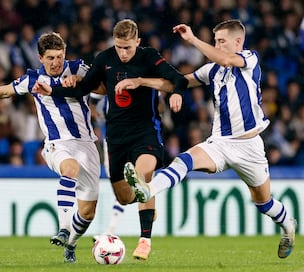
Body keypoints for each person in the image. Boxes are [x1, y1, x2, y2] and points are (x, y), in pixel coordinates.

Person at [123, 19, 297, 259]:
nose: (217, 45)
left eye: (221, 41)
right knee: (183, 161)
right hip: (220, 143)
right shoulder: (212, 70)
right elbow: (177, 81)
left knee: (263, 203)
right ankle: (147, 189)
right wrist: (141, 82)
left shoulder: (249, 58)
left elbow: (226, 59)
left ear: (238, 42)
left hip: (250, 146)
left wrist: (194, 39)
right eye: (215, 41)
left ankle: (288, 224)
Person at [33, 19, 188, 260]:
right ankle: (145, 194)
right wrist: (54, 90)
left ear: (137, 42)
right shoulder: (104, 59)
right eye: (119, 47)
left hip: (145, 130)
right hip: (115, 136)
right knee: (125, 197)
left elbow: (179, 79)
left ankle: (145, 239)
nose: (123, 53)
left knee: (142, 175)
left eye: (128, 47)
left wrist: (147, 83)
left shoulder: (149, 57)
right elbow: (83, 89)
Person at [0, 32, 102, 263]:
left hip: (87, 145)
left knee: (88, 212)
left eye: (59, 56)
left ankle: (71, 244)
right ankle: (63, 228)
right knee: (69, 169)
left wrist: (80, 81)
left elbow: (102, 88)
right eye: (50, 57)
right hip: (56, 144)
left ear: (65, 53)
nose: (56, 62)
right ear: (40, 58)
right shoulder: (33, 79)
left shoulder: (78, 68)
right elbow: (6, 90)